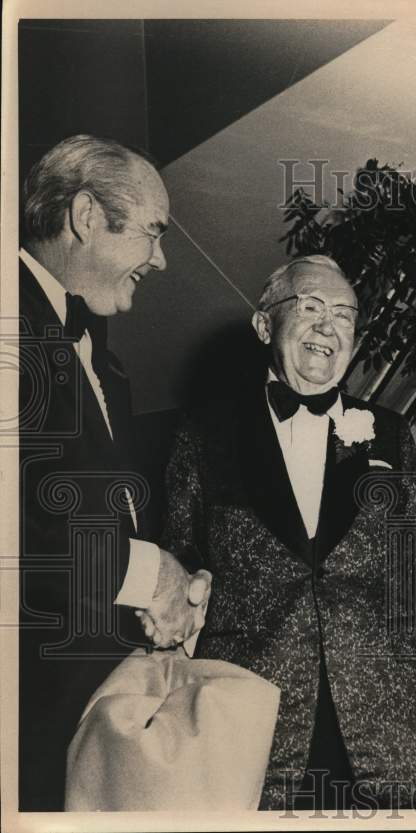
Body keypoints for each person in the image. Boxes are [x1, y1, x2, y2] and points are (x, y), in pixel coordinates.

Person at [158, 255, 416, 810]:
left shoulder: (389, 431)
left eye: (344, 313)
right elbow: (176, 568)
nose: (328, 324)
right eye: (309, 306)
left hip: (387, 735)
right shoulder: (202, 435)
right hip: (254, 738)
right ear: (265, 325)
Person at [18, 135, 210, 811]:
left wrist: (169, 596)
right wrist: (146, 572)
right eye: (153, 233)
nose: (161, 259)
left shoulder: (112, 369)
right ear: (87, 216)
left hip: (99, 741)